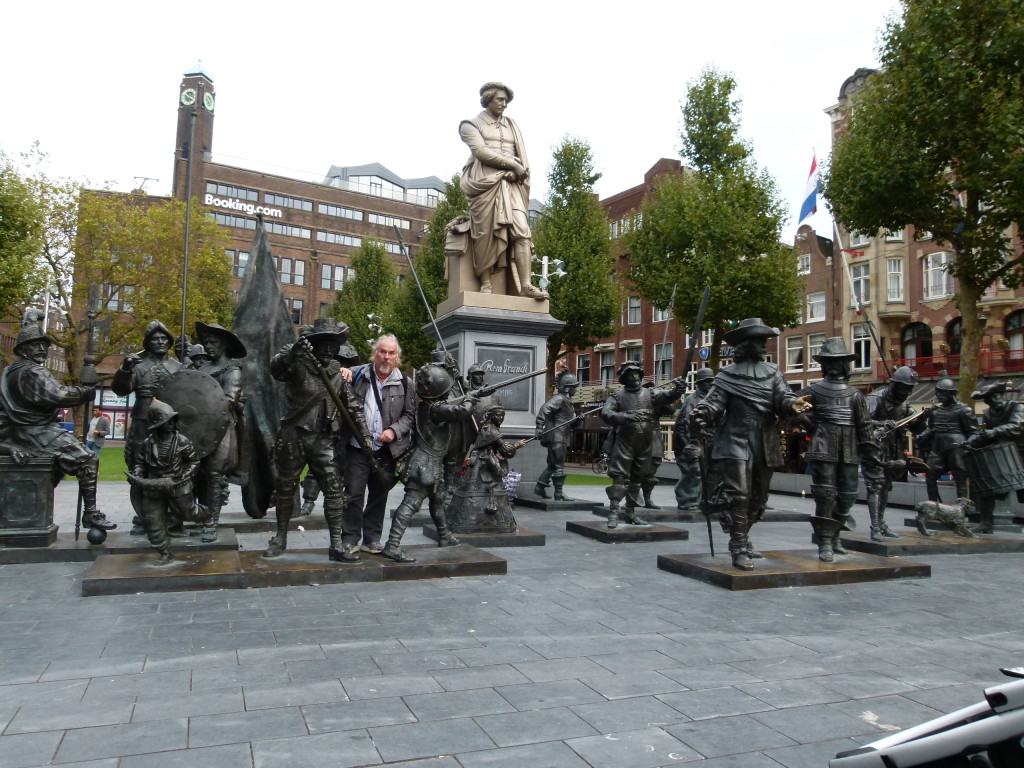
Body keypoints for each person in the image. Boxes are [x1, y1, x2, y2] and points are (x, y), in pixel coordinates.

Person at [691, 318, 809, 570]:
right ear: (746, 345)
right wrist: (702, 412)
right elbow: (713, 403)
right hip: (735, 437)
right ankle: (738, 545)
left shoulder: (773, 372)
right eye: (759, 341)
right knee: (740, 494)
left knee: (759, 498)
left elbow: (784, 397)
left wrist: (792, 404)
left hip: (764, 440)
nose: (764, 345)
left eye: (764, 340)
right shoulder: (727, 375)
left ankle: (740, 531)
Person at [263, 317, 372, 563]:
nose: (327, 349)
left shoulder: (336, 372)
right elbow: (277, 369)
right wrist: (293, 352)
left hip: (323, 440)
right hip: (294, 436)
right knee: (285, 489)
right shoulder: (297, 363)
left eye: (332, 345)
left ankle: (336, 544)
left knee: (334, 491)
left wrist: (365, 437)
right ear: (314, 343)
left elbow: (353, 408)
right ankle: (280, 538)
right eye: (323, 343)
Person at [0, 322, 115, 530]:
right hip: (39, 432)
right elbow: (59, 395)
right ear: (24, 348)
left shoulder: (9, 372)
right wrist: (84, 393)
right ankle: (90, 513)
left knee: (57, 467)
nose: (42, 350)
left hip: (22, 433)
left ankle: (28, 508)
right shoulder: (33, 371)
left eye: (44, 346)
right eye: (36, 345)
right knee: (87, 460)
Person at [381, 357, 478, 563]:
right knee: (411, 504)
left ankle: (444, 536)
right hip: (425, 465)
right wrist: (470, 397)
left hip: (432, 463)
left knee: (438, 501)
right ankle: (392, 545)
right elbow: (462, 412)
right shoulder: (436, 409)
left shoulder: (427, 406)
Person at [456, 82, 547, 299]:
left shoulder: (512, 125)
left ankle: (525, 285)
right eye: (500, 99)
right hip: (484, 184)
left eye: (506, 101)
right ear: (488, 99)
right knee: (484, 234)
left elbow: (522, 158)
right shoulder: (470, 125)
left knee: (522, 231)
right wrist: (512, 165)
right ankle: (486, 283)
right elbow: (481, 151)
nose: (504, 104)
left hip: (510, 184)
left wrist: (517, 172)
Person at [796, 338, 872, 562]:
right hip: (823, 446)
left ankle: (836, 534)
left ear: (844, 364)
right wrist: (811, 425)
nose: (833, 366)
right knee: (825, 495)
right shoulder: (814, 390)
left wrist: (870, 451)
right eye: (829, 361)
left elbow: (865, 425)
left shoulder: (855, 394)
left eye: (837, 362)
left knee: (848, 495)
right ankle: (825, 542)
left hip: (849, 447)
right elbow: (792, 405)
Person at [342, 334, 415, 554]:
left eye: (391, 353)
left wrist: (394, 430)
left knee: (378, 494)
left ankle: (372, 539)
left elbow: (410, 416)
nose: (385, 357)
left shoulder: (404, 382)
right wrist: (342, 370)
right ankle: (350, 539)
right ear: (375, 353)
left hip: (386, 451)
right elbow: (334, 374)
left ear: (396, 357)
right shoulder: (358, 374)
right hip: (357, 446)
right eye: (382, 352)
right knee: (353, 493)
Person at [600, 361, 687, 529]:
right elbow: (606, 412)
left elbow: (669, 396)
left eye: (637, 373)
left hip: (645, 443)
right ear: (624, 378)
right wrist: (625, 416)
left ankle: (631, 512)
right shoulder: (617, 396)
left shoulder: (651, 393)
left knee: (637, 479)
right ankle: (614, 512)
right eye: (630, 374)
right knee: (619, 477)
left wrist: (679, 388)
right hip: (624, 442)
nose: (635, 377)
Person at [126, 400, 211, 566]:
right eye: (168, 421)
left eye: (173, 420)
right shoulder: (147, 443)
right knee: (153, 521)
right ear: (158, 424)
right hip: (153, 487)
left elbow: (193, 461)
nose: (172, 424)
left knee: (189, 514)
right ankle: (164, 551)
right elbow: (140, 463)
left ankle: (206, 514)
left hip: (177, 486)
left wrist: (184, 476)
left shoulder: (182, 441)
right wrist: (137, 474)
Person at [194, 321, 248, 543]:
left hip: (221, 430)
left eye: (213, 342)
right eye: (206, 342)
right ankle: (199, 516)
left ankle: (211, 522)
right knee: (196, 476)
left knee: (215, 476)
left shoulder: (232, 369)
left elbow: (229, 399)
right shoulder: (201, 369)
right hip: (197, 430)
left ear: (224, 345)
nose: (208, 346)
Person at [862, 366, 923, 541]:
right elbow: (862, 421)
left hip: (893, 449)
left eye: (909, 390)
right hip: (874, 448)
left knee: (886, 486)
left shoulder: (904, 404)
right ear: (894, 385)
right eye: (904, 389)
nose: (906, 393)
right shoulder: (875, 398)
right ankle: (875, 527)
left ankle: (881, 523)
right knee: (875, 486)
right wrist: (881, 423)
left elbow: (916, 427)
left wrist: (923, 419)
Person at [448, 404, 528, 533]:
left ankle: (470, 520)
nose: (501, 417)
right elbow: (506, 450)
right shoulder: (492, 431)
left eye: (503, 415)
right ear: (491, 416)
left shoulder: (487, 428)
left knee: (475, 491)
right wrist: (517, 445)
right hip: (484, 465)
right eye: (498, 415)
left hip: (480, 463)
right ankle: (481, 522)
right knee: (482, 492)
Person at [964, 382, 1024, 533]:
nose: (993, 401)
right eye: (989, 399)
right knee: (987, 487)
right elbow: (985, 434)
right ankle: (986, 522)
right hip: (1002, 454)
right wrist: (972, 441)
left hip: (1020, 452)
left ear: (1002, 395)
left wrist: (995, 432)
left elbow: (1018, 426)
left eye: (996, 397)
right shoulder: (988, 413)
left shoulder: (1017, 407)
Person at [918, 377, 978, 503]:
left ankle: (962, 508)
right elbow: (932, 428)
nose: (939, 395)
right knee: (930, 474)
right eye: (938, 392)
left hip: (956, 449)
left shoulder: (964, 410)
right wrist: (923, 435)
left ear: (952, 393)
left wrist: (967, 443)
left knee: (960, 478)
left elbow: (974, 432)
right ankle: (933, 506)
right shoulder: (935, 411)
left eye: (943, 392)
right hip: (938, 449)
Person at [534, 369, 580, 501]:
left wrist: (578, 419)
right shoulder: (559, 398)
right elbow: (545, 409)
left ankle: (539, 487)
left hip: (561, 435)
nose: (575, 390)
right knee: (558, 465)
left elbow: (569, 422)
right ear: (567, 388)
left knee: (553, 464)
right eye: (573, 387)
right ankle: (559, 493)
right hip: (557, 436)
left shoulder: (566, 400)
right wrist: (539, 426)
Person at [674, 368, 715, 512]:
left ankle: (706, 500)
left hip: (710, 442)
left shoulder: (713, 399)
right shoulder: (692, 400)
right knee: (695, 472)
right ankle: (687, 500)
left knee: (711, 472)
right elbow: (681, 426)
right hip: (694, 442)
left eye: (712, 381)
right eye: (707, 381)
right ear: (699, 384)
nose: (710, 384)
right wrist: (687, 445)